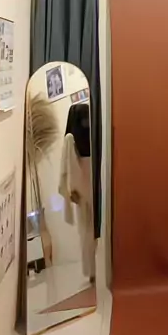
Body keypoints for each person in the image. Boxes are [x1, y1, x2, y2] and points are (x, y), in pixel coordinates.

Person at [59, 103, 96, 282]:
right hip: (82, 190)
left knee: (97, 230)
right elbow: (66, 167)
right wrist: (70, 190)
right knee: (86, 233)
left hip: (95, 185)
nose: (86, 122)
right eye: (83, 118)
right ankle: (92, 272)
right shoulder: (70, 139)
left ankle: (102, 267)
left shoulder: (94, 133)